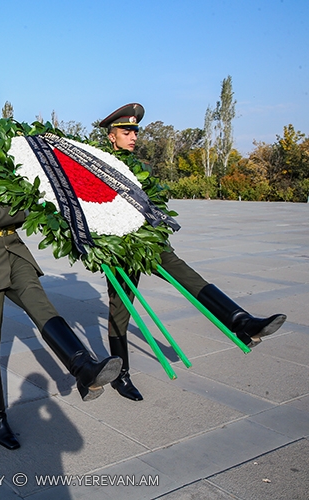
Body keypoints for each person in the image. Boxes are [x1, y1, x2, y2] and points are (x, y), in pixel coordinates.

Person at [0, 85, 121, 450]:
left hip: (14, 252)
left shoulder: (7, 164)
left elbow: (32, 192)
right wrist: (24, 209)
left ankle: (83, 369)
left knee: (44, 309)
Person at [99, 103, 287, 401]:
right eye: (126, 131)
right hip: (120, 248)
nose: (132, 136)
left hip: (148, 240)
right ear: (111, 136)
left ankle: (241, 321)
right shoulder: (97, 164)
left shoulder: (142, 168)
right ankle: (121, 376)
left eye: (135, 131)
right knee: (120, 308)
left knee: (186, 274)